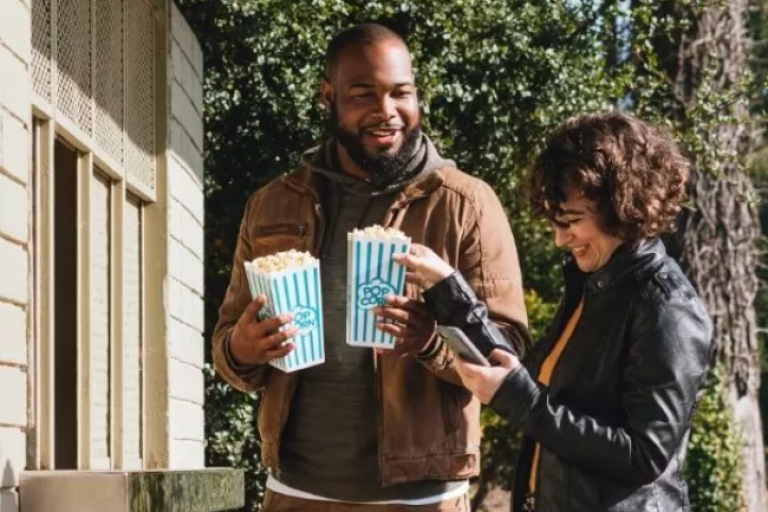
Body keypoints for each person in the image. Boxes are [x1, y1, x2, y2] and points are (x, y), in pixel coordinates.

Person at [211, 23, 530, 511]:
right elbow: (228, 345)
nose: (387, 112)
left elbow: (509, 352)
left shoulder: (466, 204)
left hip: (423, 498)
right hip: (296, 492)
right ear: (329, 97)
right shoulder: (273, 204)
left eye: (401, 93)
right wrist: (243, 347)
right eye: (364, 95)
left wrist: (431, 343)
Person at [396, 113, 714, 511]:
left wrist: (520, 401)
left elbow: (643, 455)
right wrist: (446, 287)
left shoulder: (667, 308)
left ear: (621, 206)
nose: (560, 238)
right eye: (555, 222)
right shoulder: (594, 283)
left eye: (572, 222)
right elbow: (519, 376)